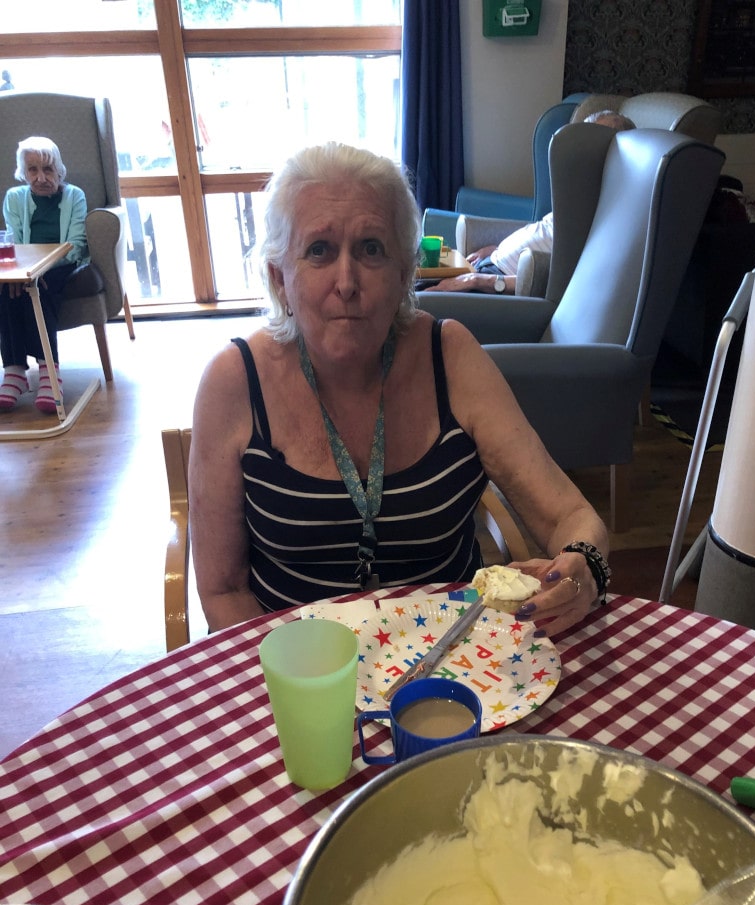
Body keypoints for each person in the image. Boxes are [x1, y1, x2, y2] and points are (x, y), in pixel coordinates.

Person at [190, 142, 611, 639]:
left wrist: (583, 566)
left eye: (371, 249)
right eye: (319, 250)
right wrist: (290, 675)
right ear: (280, 278)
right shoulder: (234, 382)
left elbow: (570, 516)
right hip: (300, 666)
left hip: (455, 664)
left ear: (405, 274)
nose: (347, 282)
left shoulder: (451, 357)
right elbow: (222, 590)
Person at [425, 111, 636, 294]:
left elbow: (557, 279)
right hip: (488, 267)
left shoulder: (606, 217)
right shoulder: (581, 197)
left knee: (418, 298)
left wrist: (477, 280)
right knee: (416, 277)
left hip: (494, 286)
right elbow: (543, 234)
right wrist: (496, 250)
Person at [0, 136, 89, 413]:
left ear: (59, 170)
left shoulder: (74, 196)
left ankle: (48, 371)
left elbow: (75, 245)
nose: (40, 178)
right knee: (6, 287)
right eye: (33, 170)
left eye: (48, 169)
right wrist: (23, 273)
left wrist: (39, 271)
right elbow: (15, 242)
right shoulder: (15, 198)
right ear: (23, 172)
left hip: (62, 265)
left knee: (40, 286)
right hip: (26, 265)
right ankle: (14, 369)